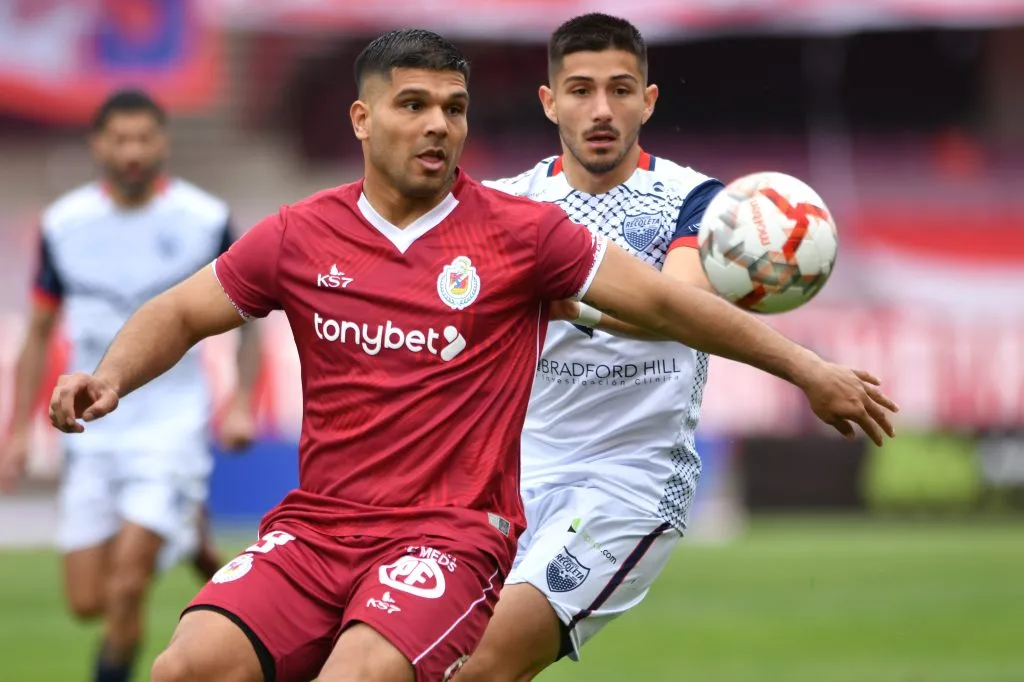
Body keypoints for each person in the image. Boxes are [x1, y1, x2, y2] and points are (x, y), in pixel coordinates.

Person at [46, 30, 896, 682]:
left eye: (453, 108)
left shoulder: (523, 235)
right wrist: (108, 376)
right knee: (182, 667)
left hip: (450, 537)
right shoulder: (300, 234)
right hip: (317, 530)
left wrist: (807, 368)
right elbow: (184, 310)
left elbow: (673, 301)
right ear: (361, 118)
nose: (439, 125)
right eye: (414, 105)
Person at [458, 13, 779, 680]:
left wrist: (562, 299)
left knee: (485, 664)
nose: (601, 110)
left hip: (627, 483)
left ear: (648, 100)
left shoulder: (695, 200)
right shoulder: (504, 204)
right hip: (505, 480)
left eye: (621, 89)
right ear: (549, 102)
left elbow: (680, 307)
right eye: (579, 90)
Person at [0, 89, 262, 682]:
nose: (134, 151)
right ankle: (188, 529)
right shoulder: (64, 225)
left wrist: (242, 403)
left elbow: (252, 318)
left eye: (145, 138)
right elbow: (38, 332)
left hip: (172, 425)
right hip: (92, 430)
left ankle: (169, 517)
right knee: (86, 600)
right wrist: (17, 432)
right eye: (121, 140)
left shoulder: (205, 218)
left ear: (163, 142)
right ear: (99, 145)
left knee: (125, 588)